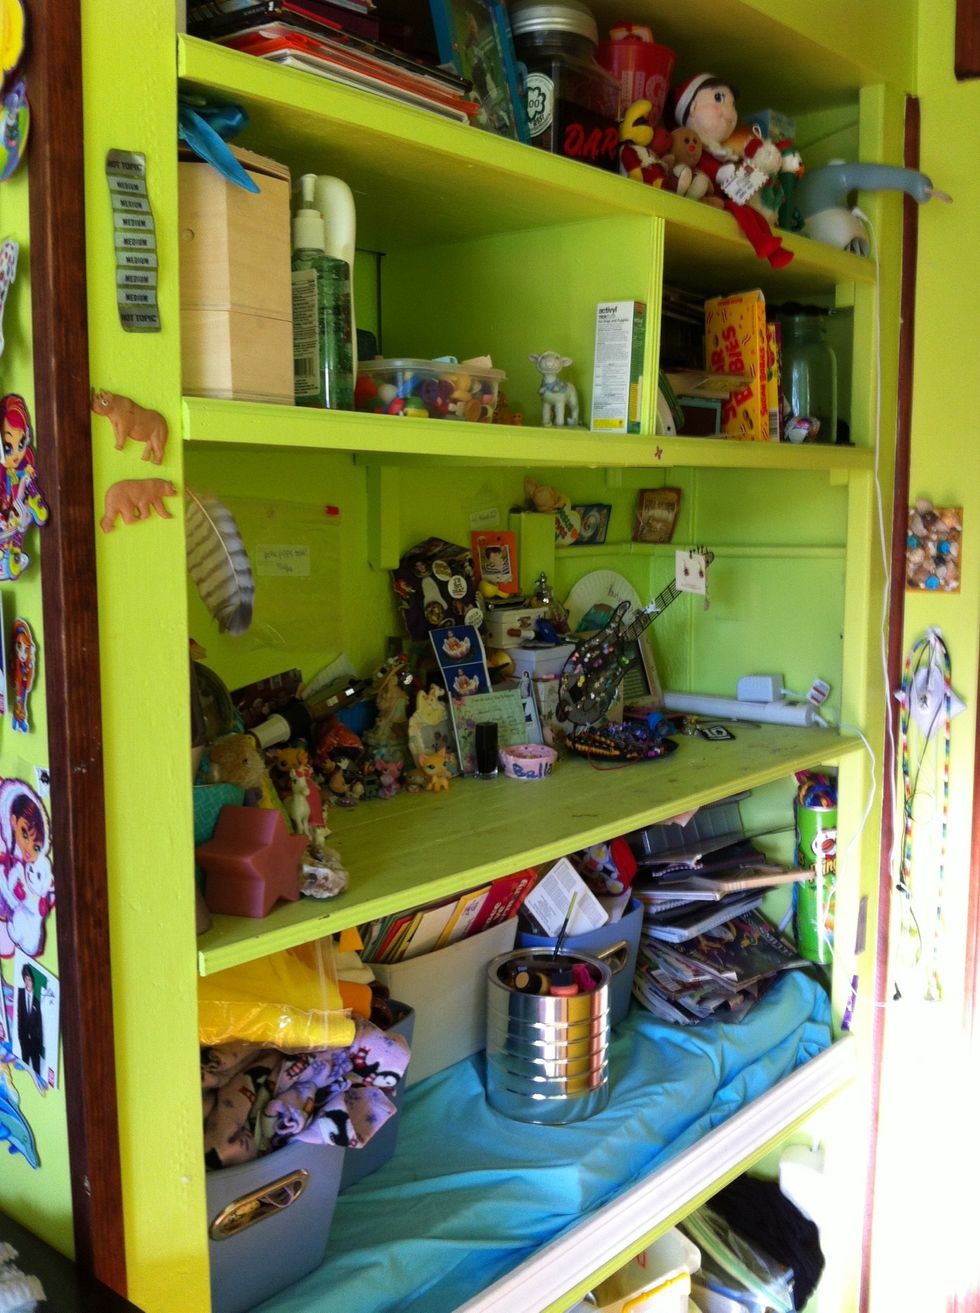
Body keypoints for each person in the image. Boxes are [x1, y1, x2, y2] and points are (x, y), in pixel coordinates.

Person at [17, 964, 43, 1076]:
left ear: (33, 980)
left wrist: (39, 1040)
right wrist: (20, 1037)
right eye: (25, 979)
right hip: (24, 1041)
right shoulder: (21, 994)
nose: (28, 982)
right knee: (25, 1071)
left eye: (29, 979)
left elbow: (40, 1023)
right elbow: (19, 1016)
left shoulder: (38, 998)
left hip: (35, 1042)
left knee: (36, 1071)